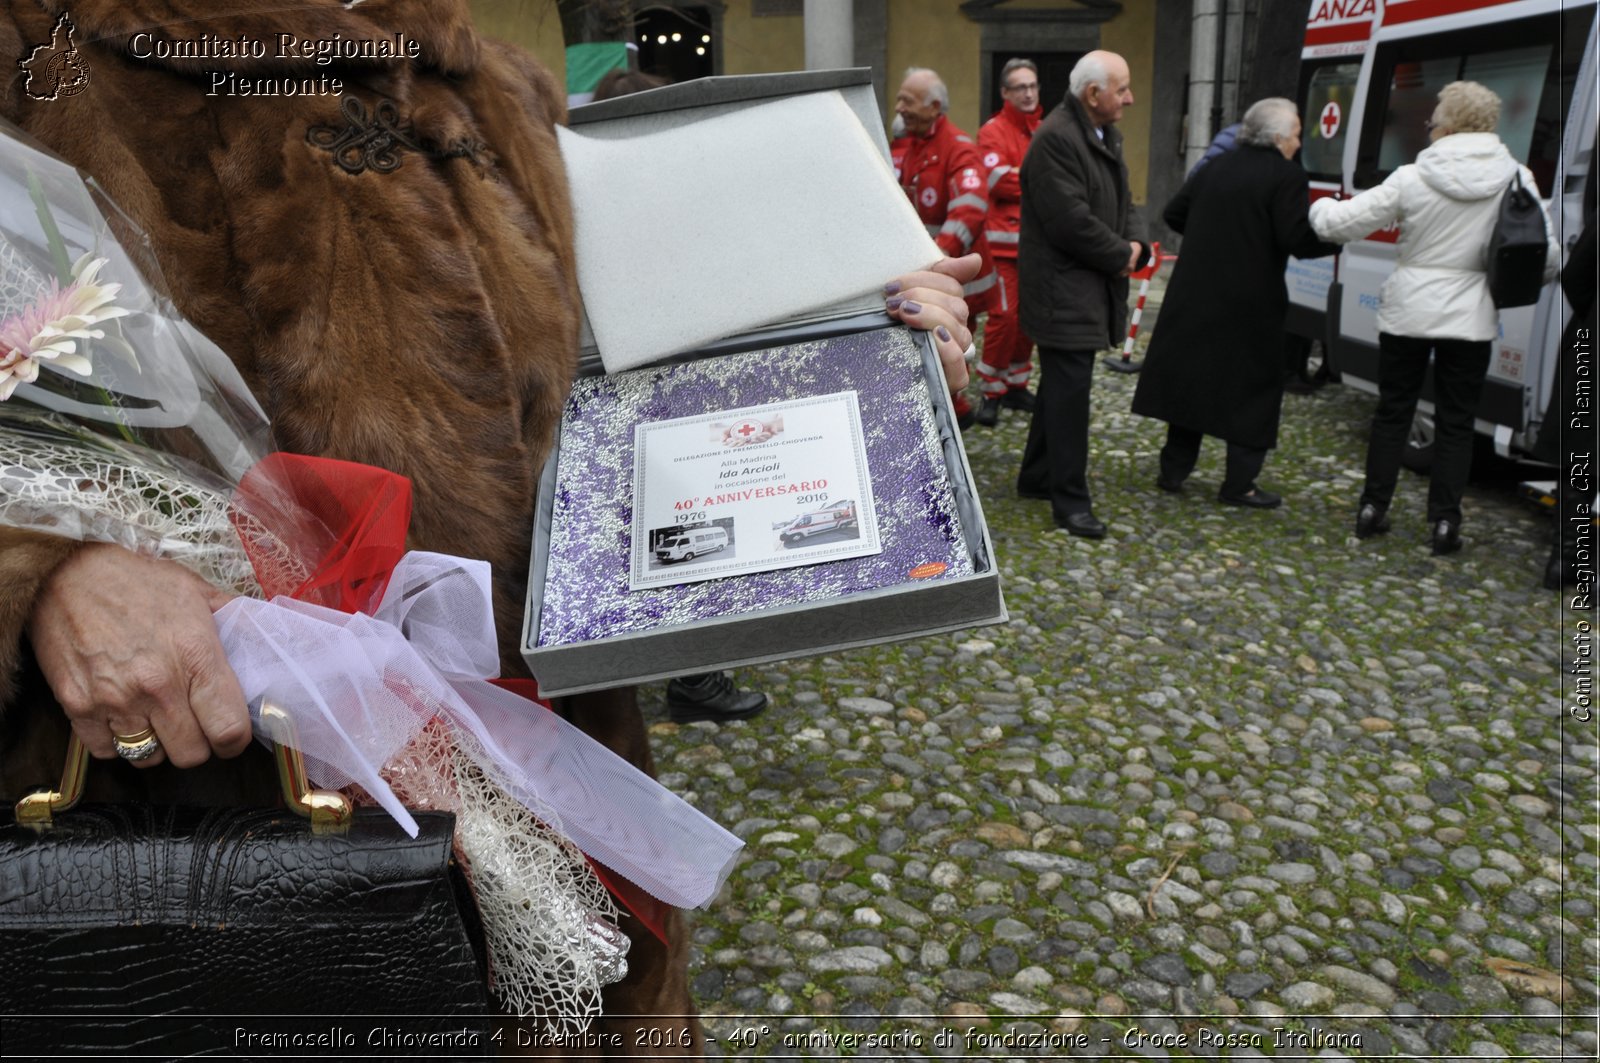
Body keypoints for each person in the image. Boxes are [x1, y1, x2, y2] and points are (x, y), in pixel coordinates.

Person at [0, 2, 978, 1055]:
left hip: (549, 809)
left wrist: (857, 340)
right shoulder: (36, 57)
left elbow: (658, 390)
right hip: (198, 843)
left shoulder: (500, 96)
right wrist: (47, 571)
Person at [588, 67, 768, 725]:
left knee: (651, 531)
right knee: (688, 527)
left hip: (617, 397)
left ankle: (657, 666)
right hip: (657, 391)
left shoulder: (583, 193)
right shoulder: (653, 196)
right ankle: (693, 675)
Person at [1310, 80, 1560, 555]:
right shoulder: (1518, 178)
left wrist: (1320, 205)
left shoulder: (1413, 176)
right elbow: (1545, 258)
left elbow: (1340, 224)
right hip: (1472, 316)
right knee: (1457, 423)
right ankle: (1445, 523)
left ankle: (1373, 508)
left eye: (1432, 121)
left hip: (1409, 311)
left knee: (1393, 412)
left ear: (1446, 125)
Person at [1131, 98, 1338, 508]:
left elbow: (1175, 214)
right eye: (1296, 134)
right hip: (1252, 299)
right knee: (1253, 390)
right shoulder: (1286, 175)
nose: (1298, 142)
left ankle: (1173, 471)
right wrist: (1337, 235)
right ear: (1278, 137)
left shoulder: (1217, 165)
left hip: (1198, 292)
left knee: (1193, 382)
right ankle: (1239, 484)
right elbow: (1293, 237)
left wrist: (1214, 231)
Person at [1015, 50, 1149, 539]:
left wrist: (1136, 243)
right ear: (1093, 94)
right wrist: (1120, 253)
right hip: (1063, 289)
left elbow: (1126, 198)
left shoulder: (1100, 132)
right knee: (1070, 395)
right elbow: (1069, 222)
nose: (1130, 98)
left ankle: (1036, 476)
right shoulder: (1056, 139)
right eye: (1122, 89)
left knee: (1060, 386)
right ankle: (1070, 502)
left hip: (1082, 286)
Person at [894, 66, 1000, 430]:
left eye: (907, 100)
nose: (899, 107)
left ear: (934, 106)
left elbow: (970, 206)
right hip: (928, 275)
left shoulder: (957, 147)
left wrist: (939, 258)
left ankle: (954, 410)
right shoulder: (911, 145)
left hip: (955, 277)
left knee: (954, 340)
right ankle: (952, 408)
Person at [973, 58, 1043, 427]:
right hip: (1001, 248)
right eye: (1020, 87)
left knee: (1028, 319)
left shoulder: (1043, 129)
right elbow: (999, 181)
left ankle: (1016, 384)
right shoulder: (993, 131)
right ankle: (990, 390)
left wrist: (1029, 177)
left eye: (1033, 86)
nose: (1029, 93)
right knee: (1004, 317)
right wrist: (1041, 179)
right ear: (1005, 93)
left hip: (1036, 246)